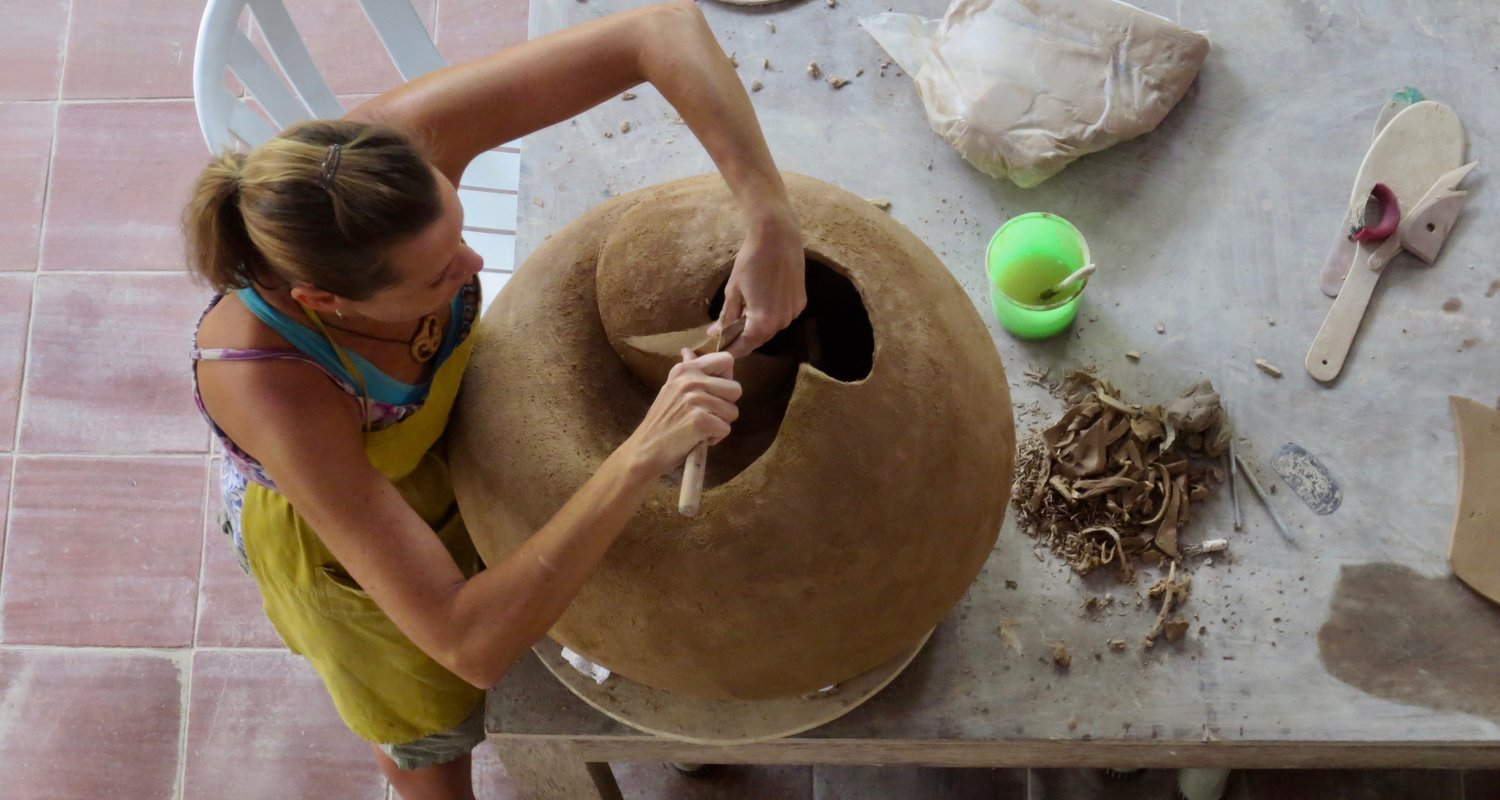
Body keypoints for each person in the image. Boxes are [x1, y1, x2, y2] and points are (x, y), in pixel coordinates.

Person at [183, 3, 805, 797]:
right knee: (431, 727)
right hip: (341, 536)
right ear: (326, 303)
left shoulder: (389, 157)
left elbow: (663, 28)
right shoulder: (270, 385)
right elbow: (466, 640)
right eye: (441, 274)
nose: (475, 261)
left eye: (459, 225)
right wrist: (643, 452)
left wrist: (768, 212)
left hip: (447, 432)